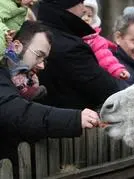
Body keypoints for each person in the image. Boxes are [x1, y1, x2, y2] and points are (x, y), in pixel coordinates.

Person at [0, 21, 101, 178]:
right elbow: (20, 114)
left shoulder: (26, 86)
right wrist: (75, 118)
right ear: (17, 46)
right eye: (39, 55)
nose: (42, 66)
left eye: (44, 59)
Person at [37, 0, 120, 109]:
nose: (84, 8)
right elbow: (109, 91)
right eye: (80, 2)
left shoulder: (37, 33)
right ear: (66, 5)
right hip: (75, 120)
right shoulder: (70, 48)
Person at [82, 0, 130, 80]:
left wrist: (117, 70)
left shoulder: (95, 40)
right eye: (83, 14)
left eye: (89, 16)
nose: (86, 18)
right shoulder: (64, 34)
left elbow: (106, 58)